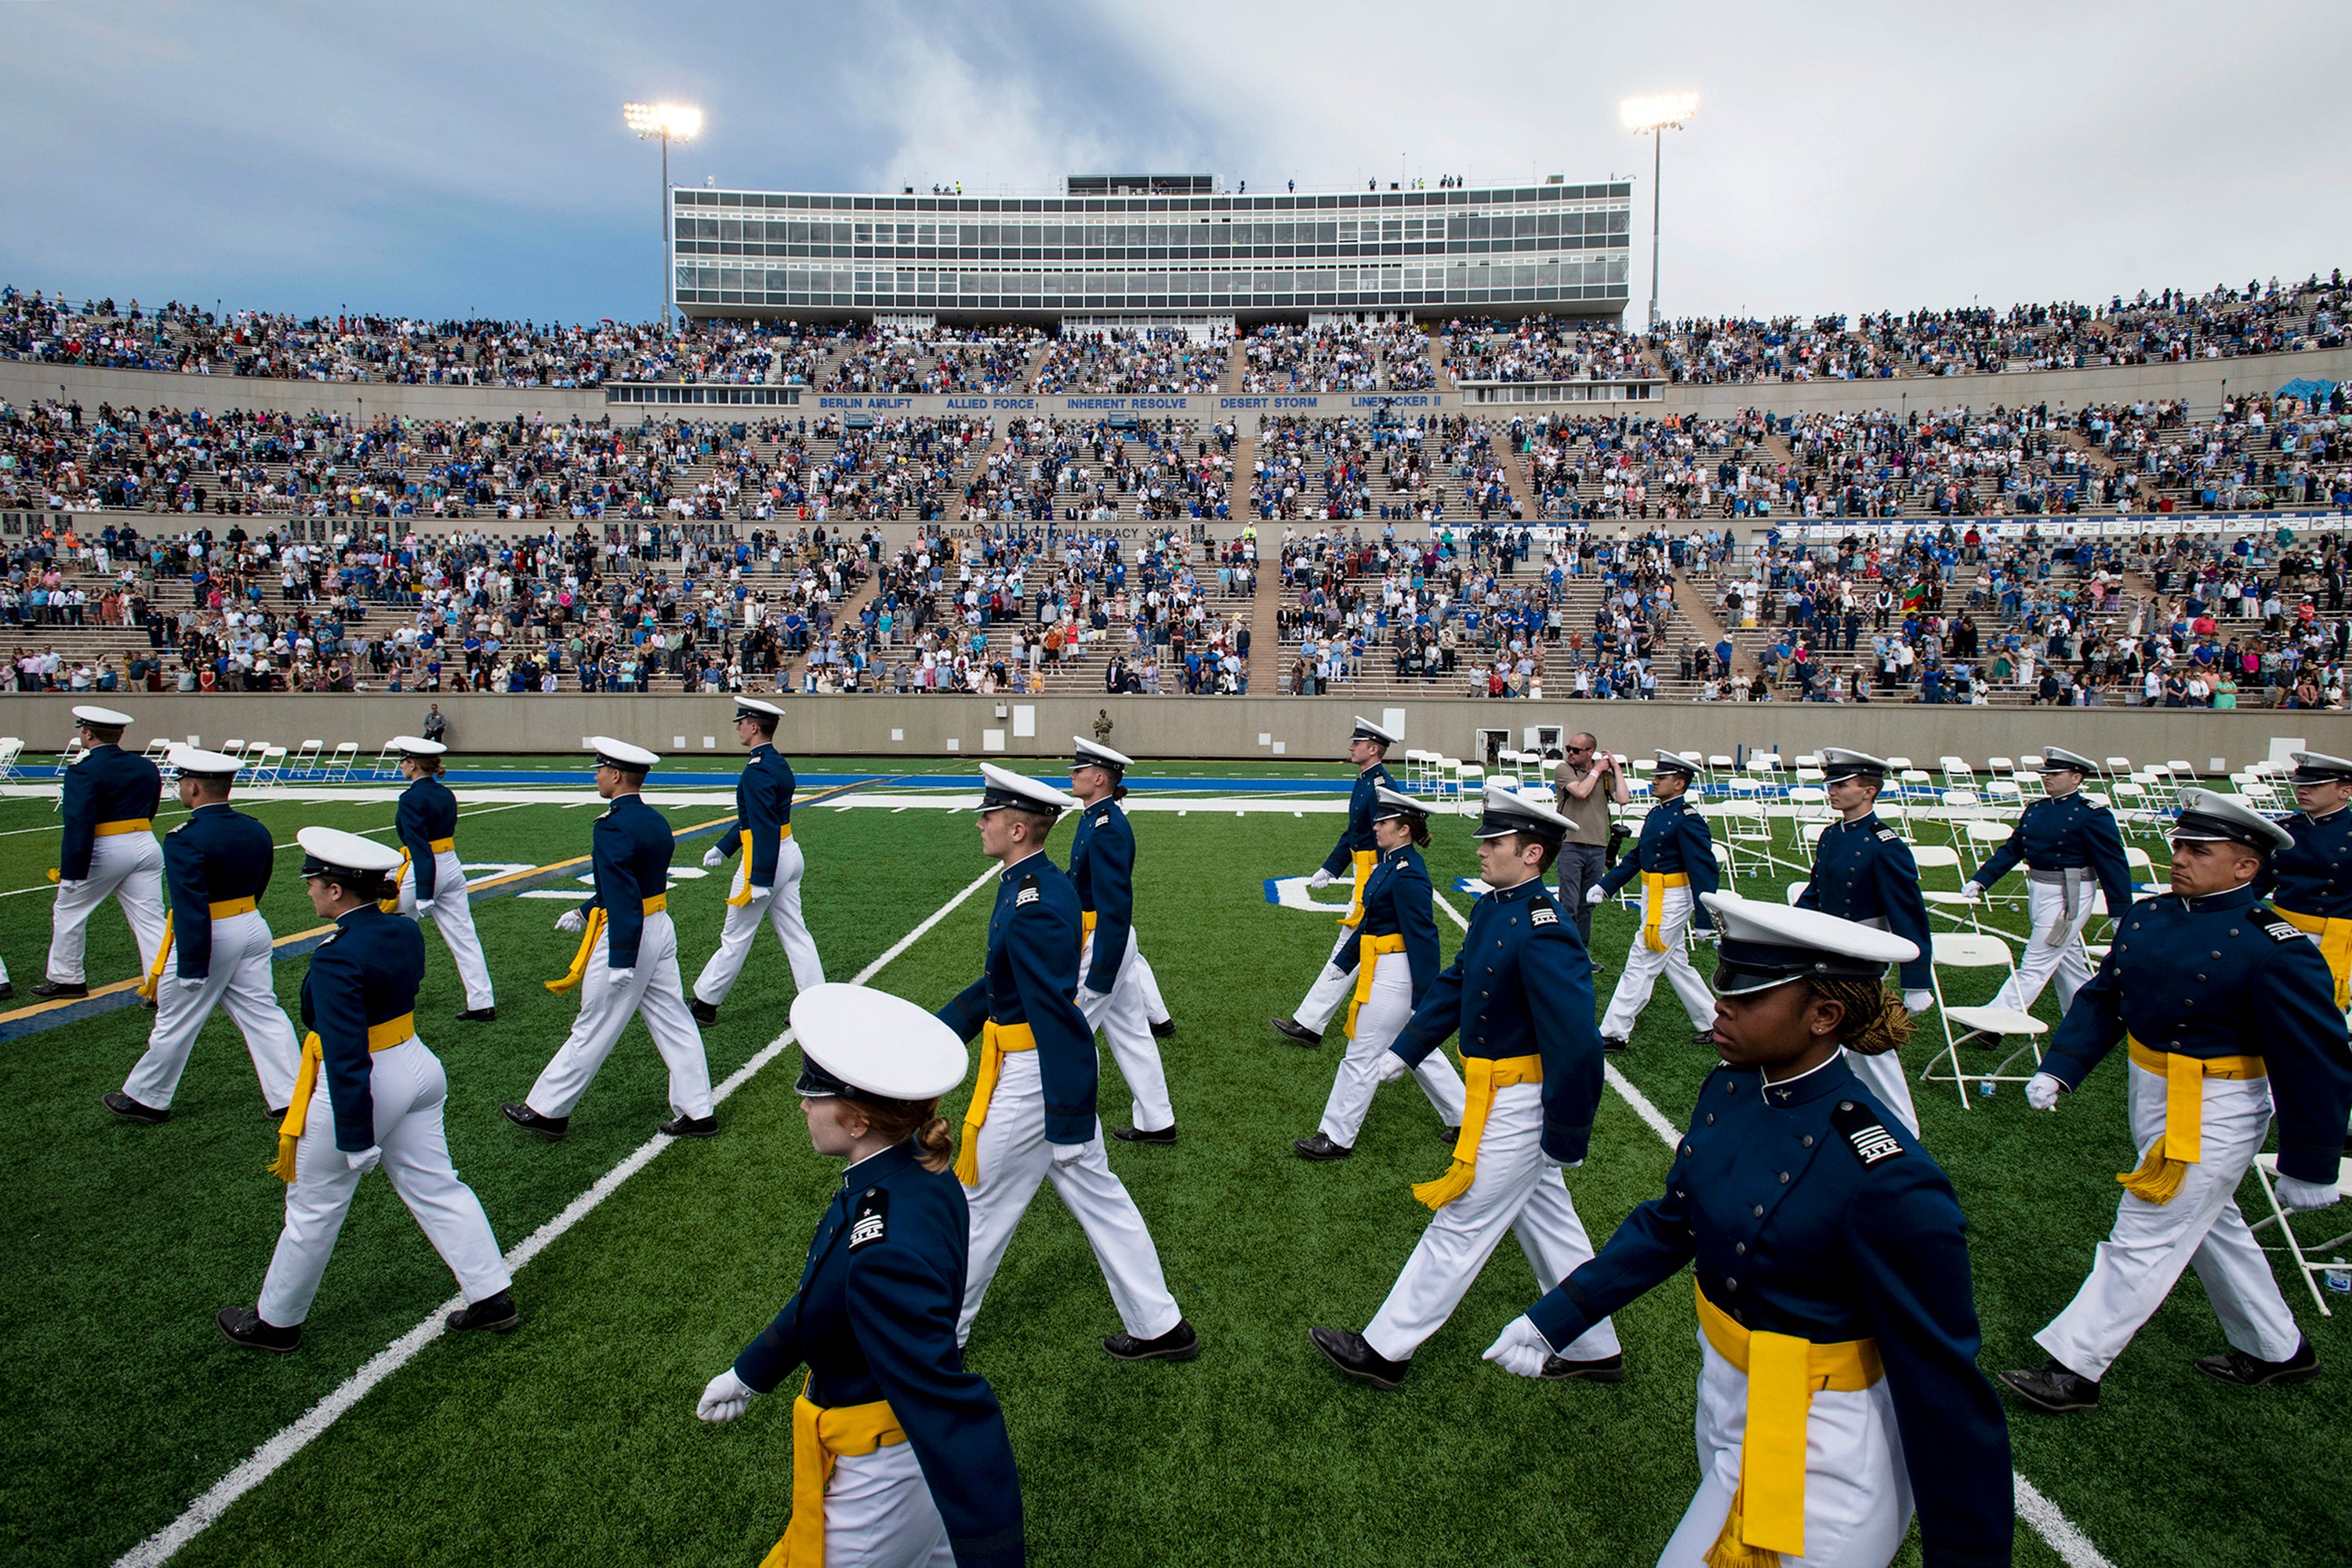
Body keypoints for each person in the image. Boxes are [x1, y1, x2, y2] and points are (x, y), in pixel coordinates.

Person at [1484, 895, 2013, 1568]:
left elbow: (1943, 1384)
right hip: (1729, 1399)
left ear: (1824, 1015)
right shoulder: (1732, 1087)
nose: (1720, 1006)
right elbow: (1674, 1222)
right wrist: (1557, 1317)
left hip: (1825, 1448)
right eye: (1725, 983)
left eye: (1748, 993)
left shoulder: (1885, 1175)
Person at [2001, 789, 2352, 1413]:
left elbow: (2314, 1059)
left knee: (2144, 1229)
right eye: (2180, 847)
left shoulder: (2276, 946)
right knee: (2213, 1223)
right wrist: (2062, 1067)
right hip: (2151, 1088)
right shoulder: (2150, 916)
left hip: (2216, 1103)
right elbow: (2107, 998)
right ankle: (2278, 1348)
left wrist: (2311, 1159)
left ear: (2247, 867)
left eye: (2199, 850)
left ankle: (2074, 1368)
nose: (2180, 859)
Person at [695, 982, 1025, 1568]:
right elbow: (828, 1295)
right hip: (898, 1464)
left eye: (812, 1096)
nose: (802, 1106)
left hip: (881, 1481)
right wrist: (751, 1372)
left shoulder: (884, 1242)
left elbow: (949, 1409)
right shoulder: (913, 1174)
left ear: (855, 1121)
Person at [1310, 782, 1621, 1391]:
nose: (1480, 850)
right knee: (1552, 1228)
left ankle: (1384, 1349)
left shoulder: (1545, 927)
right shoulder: (1494, 906)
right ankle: (1593, 1345)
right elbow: (1456, 983)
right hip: (1495, 1093)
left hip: (1521, 1103)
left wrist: (1566, 1133)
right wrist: (1405, 1049)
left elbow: (1578, 1044)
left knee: (1460, 1222)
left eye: (1494, 841)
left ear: (1532, 853)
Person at [216, 828, 515, 1352]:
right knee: (439, 1185)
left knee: (313, 1207)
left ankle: (277, 1323)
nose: (308, 890)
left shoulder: (337, 955)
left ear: (336, 891)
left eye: (314, 882)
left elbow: (347, 1052)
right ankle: (492, 1292)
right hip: (416, 1064)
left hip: (368, 1082)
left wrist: (355, 1135)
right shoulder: (401, 930)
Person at [938, 764, 1197, 1362]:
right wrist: (943, 1029)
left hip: (1036, 1082)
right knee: (1101, 1199)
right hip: (1041, 1073)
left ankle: (937, 1339)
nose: (981, 823)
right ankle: (1161, 1326)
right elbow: (999, 986)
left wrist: (1073, 1113)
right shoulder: (1033, 882)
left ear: (1019, 830)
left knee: (977, 1205)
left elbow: (1056, 1019)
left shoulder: (1032, 900)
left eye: (991, 815)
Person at [503, 738, 716, 1140]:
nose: (597, 776)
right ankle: (698, 1110)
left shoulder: (612, 826)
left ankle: (548, 1110)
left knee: (594, 1023)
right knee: (674, 1021)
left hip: (628, 933)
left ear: (616, 776)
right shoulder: (654, 819)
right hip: (658, 926)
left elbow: (622, 894)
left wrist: (620, 957)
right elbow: (632, 883)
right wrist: (585, 911)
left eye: (600, 770)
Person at [106, 746, 301, 1125]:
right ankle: (290, 1095)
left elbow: (190, 903)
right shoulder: (254, 827)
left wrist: (193, 965)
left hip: (210, 933)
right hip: (250, 922)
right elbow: (260, 881)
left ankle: (148, 1098)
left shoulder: (184, 838)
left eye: (182, 782)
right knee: (263, 1012)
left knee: (176, 1017)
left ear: (194, 788)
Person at [1294, 786, 1465, 1160]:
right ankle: (1466, 1118)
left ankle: (1336, 1137)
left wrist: (1425, 997)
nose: (1376, 825)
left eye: (1384, 821)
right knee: (1415, 1048)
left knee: (1362, 1053)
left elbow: (1424, 937)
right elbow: (1371, 923)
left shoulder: (1409, 873)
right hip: (1381, 965)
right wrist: (1343, 963)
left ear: (1404, 829)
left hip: (1396, 973)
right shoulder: (1389, 863)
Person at [1795, 748, 1936, 1135]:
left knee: (1867, 1041)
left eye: (1842, 785)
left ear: (1869, 791)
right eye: (1832, 784)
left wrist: (1917, 979)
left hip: (1863, 952)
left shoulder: (1884, 844)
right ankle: (1851, 1113)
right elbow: (1815, 893)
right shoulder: (1830, 835)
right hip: (1826, 947)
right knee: (1832, 1036)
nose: (1832, 791)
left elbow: (1908, 913)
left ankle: (1905, 1128)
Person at [1958, 746, 2134, 1036]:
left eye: (2054, 773)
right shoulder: (2037, 809)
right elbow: (2014, 849)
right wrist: (1982, 879)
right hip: (2038, 889)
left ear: (2076, 778)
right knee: (2069, 961)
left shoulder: (2092, 815)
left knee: (2038, 959)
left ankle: (1995, 1021)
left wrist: (2120, 912)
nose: (2046, 778)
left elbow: (2113, 865)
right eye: (2046, 773)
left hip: (2069, 896)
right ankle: (2090, 1018)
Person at [1065, 737, 1178, 1144]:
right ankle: (1157, 1122)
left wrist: (1100, 972)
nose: (1072, 774)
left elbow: (1116, 906)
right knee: (1132, 1033)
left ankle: (1067, 1122)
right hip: (1107, 941)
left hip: (1104, 943)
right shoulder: (1096, 816)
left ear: (1098, 778)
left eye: (1079, 770)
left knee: (1069, 1030)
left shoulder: (1107, 826)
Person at [691, 697, 824, 1025]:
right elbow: (762, 818)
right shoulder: (776, 762)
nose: (737, 727)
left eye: (741, 722)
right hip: (789, 852)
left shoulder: (757, 769)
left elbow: (762, 825)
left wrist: (760, 877)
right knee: (796, 933)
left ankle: (705, 1004)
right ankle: (816, 1002)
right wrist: (725, 847)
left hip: (767, 860)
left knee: (735, 936)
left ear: (754, 726)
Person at [1271, 717, 1400, 1047]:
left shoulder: (1380, 785)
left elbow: (1391, 836)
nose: (1350, 747)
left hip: (1374, 874)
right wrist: (1331, 867)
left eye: (1357, 743)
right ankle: (1312, 1023)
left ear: (1373, 749)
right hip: (1365, 871)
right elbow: (1354, 833)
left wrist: (1379, 880)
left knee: (1349, 948)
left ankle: (1311, 1023)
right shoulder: (1366, 781)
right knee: (1363, 951)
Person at [36, 704, 165, 1001]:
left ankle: (67, 978)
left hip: (106, 846)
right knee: (150, 919)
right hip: (144, 840)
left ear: (88, 733)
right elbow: (151, 809)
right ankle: (164, 987)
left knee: (69, 910)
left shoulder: (84, 769)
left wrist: (71, 871)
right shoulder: (145, 765)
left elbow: (79, 823)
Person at [1593, 752, 1720, 1053]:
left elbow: (1703, 869)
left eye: (1661, 778)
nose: (1655, 781)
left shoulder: (1688, 820)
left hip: (1673, 898)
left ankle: (1614, 1032)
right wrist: (1608, 884)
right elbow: (1639, 854)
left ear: (1679, 784)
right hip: (1655, 894)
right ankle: (1716, 1023)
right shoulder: (1657, 813)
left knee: (1642, 960)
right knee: (1676, 964)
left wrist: (1704, 917)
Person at [382, 735, 495, 1022]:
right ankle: (482, 1002)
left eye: (404, 762)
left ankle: (387, 998)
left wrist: (423, 892)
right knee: (464, 936)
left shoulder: (410, 799)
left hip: (425, 868)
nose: (401, 767)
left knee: (386, 930)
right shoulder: (445, 793)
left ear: (412, 764)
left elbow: (420, 849)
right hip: (451, 864)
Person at [1552, 732, 1628, 958]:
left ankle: (1580, 952)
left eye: (1576, 750)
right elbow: (1581, 792)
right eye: (1569, 748)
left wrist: (1616, 768)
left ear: (1590, 752)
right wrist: (1597, 770)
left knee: (1587, 904)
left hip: (1597, 846)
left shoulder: (1604, 774)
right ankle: (1563, 950)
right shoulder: (1564, 769)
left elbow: (1623, 798)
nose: (1570, 753)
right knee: (1569, 903)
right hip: (1571, 844)